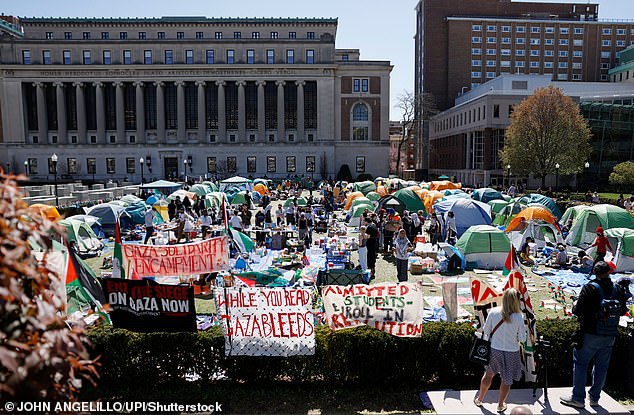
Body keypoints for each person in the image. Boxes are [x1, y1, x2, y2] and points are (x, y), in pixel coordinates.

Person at [560, 261, 628, 409]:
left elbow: (578, 311)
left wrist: (575, 304)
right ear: (609, 272)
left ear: (595, 273)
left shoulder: (590, 287)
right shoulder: (617, 288)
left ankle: (578, 398)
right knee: (602, 367)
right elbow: (623, 310)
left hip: (590, 333)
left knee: (581, 364)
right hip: (610, 334)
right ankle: (595, 398)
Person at [474, 288, 527, 413]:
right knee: (506, 379)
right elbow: (522, 338)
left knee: (488, 375)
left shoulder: (493, 312)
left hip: (495, 349)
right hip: (511, 351)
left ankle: (480, 399)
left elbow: (486, 331)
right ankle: (500, 404)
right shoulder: (519, 316)